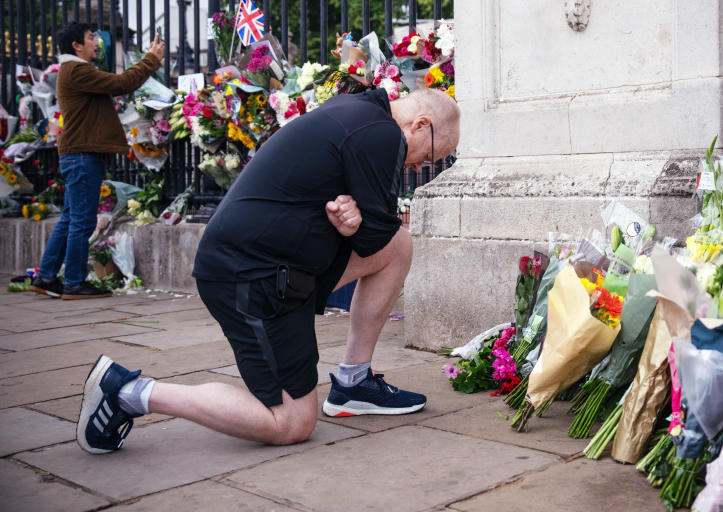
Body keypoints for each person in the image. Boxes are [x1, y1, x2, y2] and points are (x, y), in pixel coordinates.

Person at [75, 86, 460, 453]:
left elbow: (374, 231)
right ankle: (126, 391)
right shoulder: (381, 132)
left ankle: (354, 383)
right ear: (420, 124)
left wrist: (354, 219)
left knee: (398, 246)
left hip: (278, 265)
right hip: (248, 276)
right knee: (292, 423)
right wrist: (356, 224)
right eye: (427, 157)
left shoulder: (359, 113)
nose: (418, 165)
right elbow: (372, 232)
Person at [30, 24, 166, 301]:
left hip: (78, 153)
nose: (97, 42)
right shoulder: (77, 70)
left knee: (70, 218)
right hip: (83, 155)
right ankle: (75, 283)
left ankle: (46, 276)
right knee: (80, 221)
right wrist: (151, 59)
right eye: (91, 38)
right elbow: (121, 84)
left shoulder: (72, 70)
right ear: (76, 46)